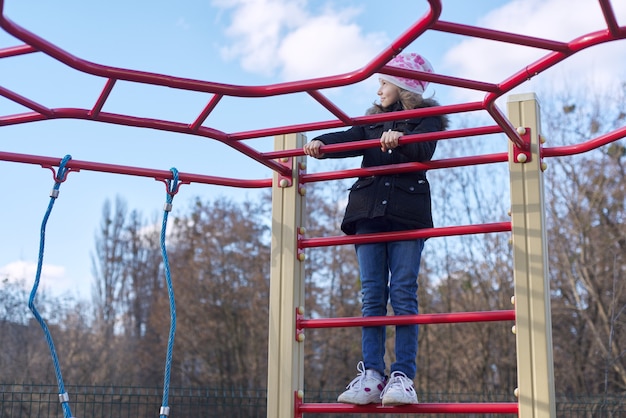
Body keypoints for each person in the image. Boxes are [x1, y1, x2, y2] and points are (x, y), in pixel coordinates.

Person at [303, 53, 448, 406]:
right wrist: (321, 143)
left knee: (402, 292)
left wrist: (403, 138)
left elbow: (425, 148)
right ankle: (371, 373)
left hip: (406, 216)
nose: (378, 87)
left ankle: (402, 375)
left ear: (403, 85)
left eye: (384, 82)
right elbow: (347, 138)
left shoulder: (425, 119)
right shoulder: (371, 123)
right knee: (371, 295)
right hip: (367, 214)